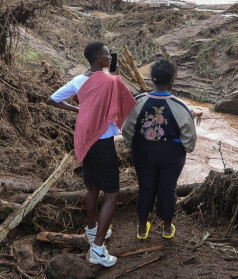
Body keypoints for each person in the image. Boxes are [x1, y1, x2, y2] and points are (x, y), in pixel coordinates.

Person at [46, 42, 135, 267]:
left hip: (86, 139)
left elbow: (52, 99)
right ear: (99, 59)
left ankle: (92, 229)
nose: (109, 58)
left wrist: (79, 110)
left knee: (93, 187)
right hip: (103, 142)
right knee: (113, 194)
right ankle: (97, 249)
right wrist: (117, 78)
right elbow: (129, 103)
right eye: (107, 55)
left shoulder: (78, 80)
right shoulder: (112, 81)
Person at [121, 59, 197, 240]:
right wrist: (185, 148)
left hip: (144, 152)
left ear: (153, 80)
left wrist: (131, 144)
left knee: (145, 187)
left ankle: (141, 228)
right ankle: (167, 228)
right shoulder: (181, 107)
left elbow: (127, 128)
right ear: (172, 80)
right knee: (169, 188)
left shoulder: (138, 102)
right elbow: (190, 137)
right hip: (172, 155)